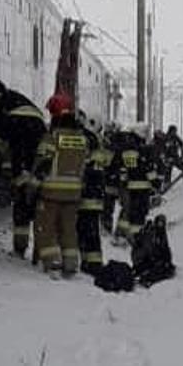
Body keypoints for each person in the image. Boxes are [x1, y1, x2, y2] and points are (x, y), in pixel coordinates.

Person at [0, 70, 47, 258]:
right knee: (36, 201)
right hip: (37, 142)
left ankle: (20, 248)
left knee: (21, 198)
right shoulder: (15, 98)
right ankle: (40, 250)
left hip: (22, 144)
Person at [30, 94, 89, 278]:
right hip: (73, 194)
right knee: (69, 229)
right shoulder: (82, 140)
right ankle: (71, 263)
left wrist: (33, 185)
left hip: (51, 192)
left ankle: (53, 262)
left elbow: (42, 163)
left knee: (47, 228)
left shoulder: (52, 137)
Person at [75, 115, 111, 273]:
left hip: (84, 192)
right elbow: (106, 164)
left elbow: (80, 164)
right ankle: (94, 263)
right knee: (92, 230)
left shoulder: (85, 138)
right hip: (97, 193)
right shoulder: (101, 142)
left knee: (82, 228)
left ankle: (85, 261)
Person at [115, 124, 156, 241]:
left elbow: (123, 169)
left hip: (130, 187)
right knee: (139, 215)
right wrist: (156, 183)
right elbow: (148, 169)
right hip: (142, 188)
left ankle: (122, 234)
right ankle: (136, 238)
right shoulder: (143, 149)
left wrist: (123, 183)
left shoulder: (127, 149)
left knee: (130, 212)